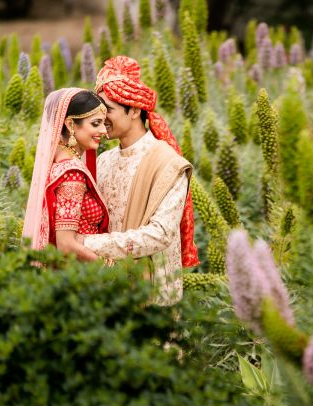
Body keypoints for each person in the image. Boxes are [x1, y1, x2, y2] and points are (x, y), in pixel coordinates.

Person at [76, 56, 199, 305]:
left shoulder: (168, 163)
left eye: (107, 110)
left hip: (153, 294)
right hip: (110, 292)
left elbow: (160, 234)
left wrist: (85, 243)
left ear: (133, 110)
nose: (100, 118)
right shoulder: (103, 161)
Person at [22, 88, 109, 260]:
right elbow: (66, 245)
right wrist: (108, 268)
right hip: (81, 275)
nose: (104, 131)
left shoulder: (58, 164)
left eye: (104, 124)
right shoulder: (72, 173)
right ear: (70, 125)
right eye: (95, 123)